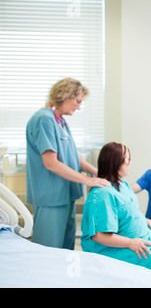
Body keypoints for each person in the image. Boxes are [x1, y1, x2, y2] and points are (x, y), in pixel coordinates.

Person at [26, 78, 110, 249]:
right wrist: (88, 181)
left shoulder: (61, 121)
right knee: (49, 250)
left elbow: (74, 157)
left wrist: (99, 173)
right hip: (51, 197)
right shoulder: (44, 120)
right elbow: (51, 163)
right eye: (77, 102)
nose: (78, 107)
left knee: (65, 247)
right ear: (65, 96)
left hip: (65, 196)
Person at [81, 142, 151, 276]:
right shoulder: (102, 194)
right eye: (127, 160)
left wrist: (144, 220)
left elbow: (128, 210)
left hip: (137, 233)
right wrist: (131, 243)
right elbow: (98, 235)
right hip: (112, 246)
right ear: (115, 162)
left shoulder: (122, 184)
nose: (130, 163)